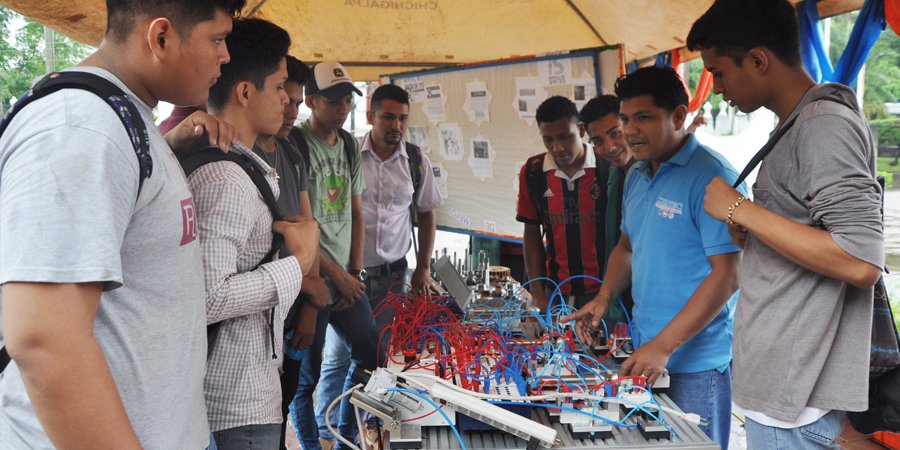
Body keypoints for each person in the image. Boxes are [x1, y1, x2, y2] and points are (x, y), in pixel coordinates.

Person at [0, 1, 245, 448]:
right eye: (217, 38)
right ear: (161, 37)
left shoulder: (123, 120)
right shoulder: (82, 128)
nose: (225, 55)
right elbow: (43, 339)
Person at [687, 0, 883, 447]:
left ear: (757, 60)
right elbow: (812, 227)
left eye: (717, 72)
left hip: (796, 402)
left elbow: (859, 260)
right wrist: (758, 227)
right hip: (783, 389)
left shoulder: (823, 125)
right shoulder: (795, 124)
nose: (716, 90)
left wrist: (740, 210)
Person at [562, 66, 744, 450]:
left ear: (679, 116)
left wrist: (664, 345)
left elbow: (728, 275)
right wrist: (605, 297)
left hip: (695, 364)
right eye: (626, 119)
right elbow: (628, 246)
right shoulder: (637, 174)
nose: (629, 131)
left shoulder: (713, 177)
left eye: (643, 118)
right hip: (645, 354)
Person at [192, 18, 320, 449]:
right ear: (245, 92)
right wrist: (298, 265)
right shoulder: (226, 180)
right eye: (280, 87)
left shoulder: (241, 167)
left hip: (247, 393)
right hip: (233, 404)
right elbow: (208, 296)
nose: (287, 102)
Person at [315, 83, 442, 445]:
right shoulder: (347, 151)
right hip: (347, 276)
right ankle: (327, 432)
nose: (395, 125)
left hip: (392, 277)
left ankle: (350, 432)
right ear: (370, 116)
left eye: (402, 118)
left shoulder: (416, 161)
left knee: (374, 358)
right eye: (388, 116)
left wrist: (423, 267)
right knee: (337, 357)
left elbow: (427, 213)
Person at [288, 61, 379, 450]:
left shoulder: (348, 144)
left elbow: (358, 213)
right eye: (333, 100)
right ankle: (310, 445)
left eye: (347, 99)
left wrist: (353, 271)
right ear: (310, 101)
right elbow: (301, 224)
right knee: (304, 379)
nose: (342, 107)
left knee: (372, 355)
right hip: (312, 281)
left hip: (344, 276)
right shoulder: (295, 143)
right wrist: (334, 277)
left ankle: (342, 440)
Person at [250, 54, 329, 450]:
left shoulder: (290, 154)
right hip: (253, 325)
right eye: (282, 93)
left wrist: (311, 307)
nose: (289, 108)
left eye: (296, 100)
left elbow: (308, 232)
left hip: (294, 311)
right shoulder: (231, 154)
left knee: (285, 402)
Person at [516, 96, 613, 313]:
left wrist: (611, 293)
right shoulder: (533, 171)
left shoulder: (607, 166)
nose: (557, 148)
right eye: (548, 139)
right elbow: (531, 232)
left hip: (607, 293)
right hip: (556, 292)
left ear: (580, 130)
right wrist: (538, 292)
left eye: (564, 137)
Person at [580, 95, 636, 321]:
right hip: (621, 296)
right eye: (598, 141)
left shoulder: (652, 176)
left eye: (615, 133)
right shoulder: (613, 174)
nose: (610, 147)